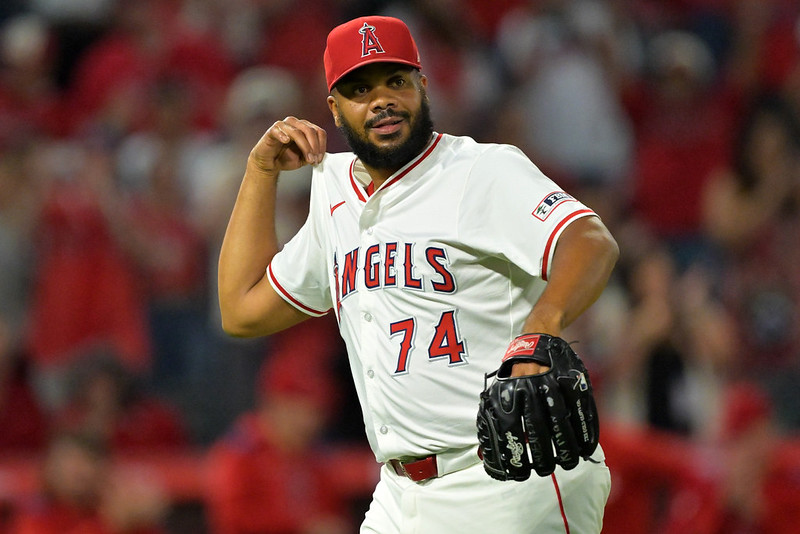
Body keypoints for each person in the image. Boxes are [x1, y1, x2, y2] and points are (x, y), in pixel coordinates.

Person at [218, 15, 618, 533]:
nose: (381, 100)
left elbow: (590, 241)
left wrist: (541, 327)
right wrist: (260, 172)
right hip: (399, 492)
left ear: (423, 86)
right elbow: (241, 310)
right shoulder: (333, 191)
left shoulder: (479, 169)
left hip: (506, 476)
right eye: (360, 90)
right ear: (334, 109)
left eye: (395, 81)